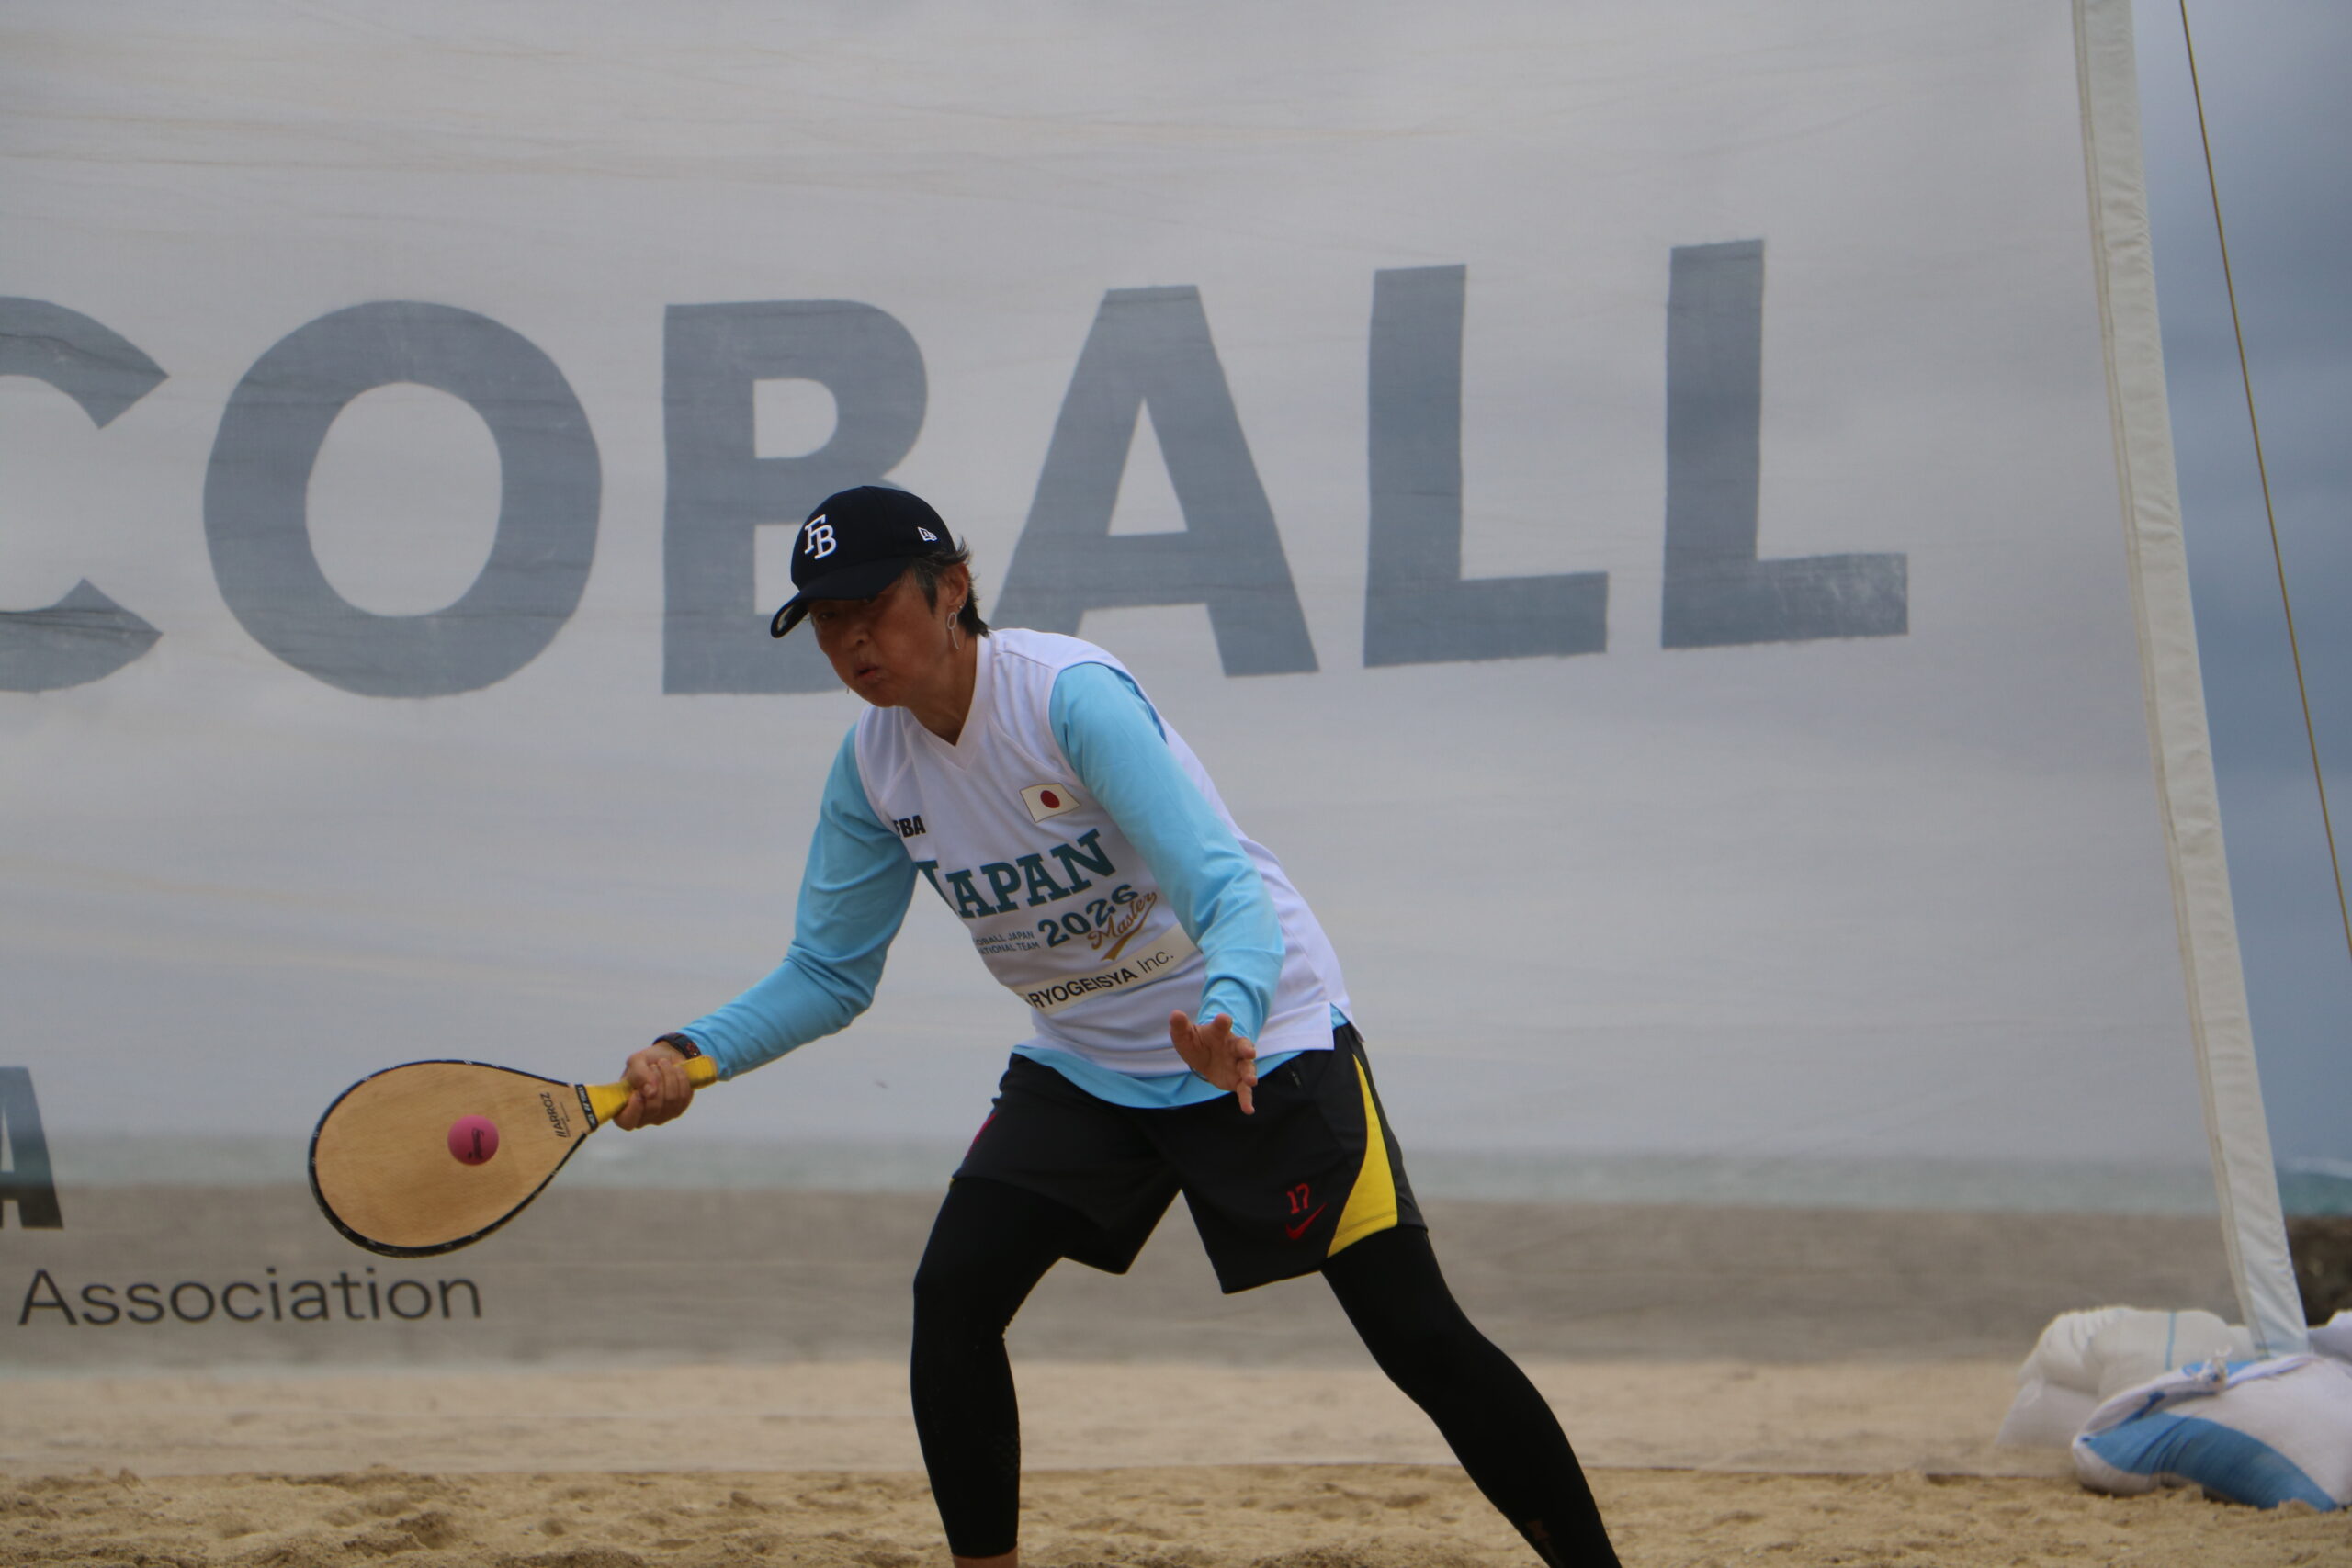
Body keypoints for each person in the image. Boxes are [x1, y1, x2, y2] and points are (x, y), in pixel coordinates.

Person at [616, 486, 1621, 1568]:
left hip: (1262, 1034)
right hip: (1089, 1062)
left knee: (1416, 1335)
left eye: (871, 606)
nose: (851, 640)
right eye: (825, 620)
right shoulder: (872, 769)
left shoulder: (1065, 699)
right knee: (953, 1296)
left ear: (951, 590)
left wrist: (1228, 1017)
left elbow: (1228, 894)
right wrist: (689, 1055)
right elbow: (828, 973)